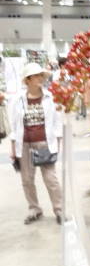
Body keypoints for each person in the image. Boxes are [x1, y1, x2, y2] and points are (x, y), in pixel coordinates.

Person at [9, 62, 63, 225]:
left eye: (41, 75)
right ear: (28, 79)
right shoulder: (18, 99)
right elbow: (14, 126)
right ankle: (34, 209)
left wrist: (57, 144)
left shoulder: (50, 97)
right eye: (36, 76)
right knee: (27, 180)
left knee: (51, 179)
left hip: (44, 143)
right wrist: (13, 149)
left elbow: (57, 122)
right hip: (24, 144)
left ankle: (59, 209)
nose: (40, 78)